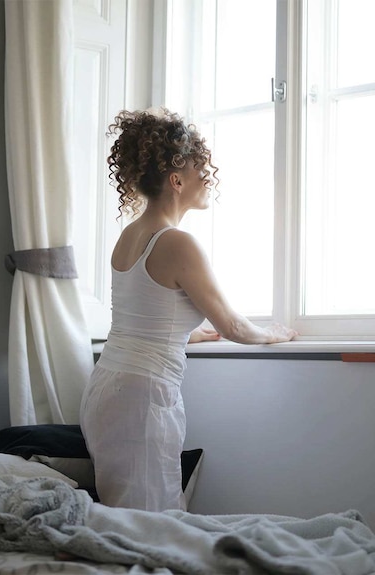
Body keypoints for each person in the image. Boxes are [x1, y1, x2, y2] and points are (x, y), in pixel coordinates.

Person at [80, 108, 297, 512]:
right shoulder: (178, 242)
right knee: (152, 521)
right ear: (176, 180)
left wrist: (187, 332)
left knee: (126, 516)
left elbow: (141, 316)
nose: (208, 179)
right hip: (141, 397)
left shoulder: (130, 235)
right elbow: (231, 325)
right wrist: (274, 333)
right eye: (202, 171)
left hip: (107, 387)